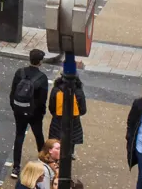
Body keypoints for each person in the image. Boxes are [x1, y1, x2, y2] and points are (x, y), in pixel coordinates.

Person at [9, 49, 49, 178]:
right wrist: (40, 113)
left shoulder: (19, 73)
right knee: (39, 136)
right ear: (40, 62)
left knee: (19, 136)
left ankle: (16, 167)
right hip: (35, 113)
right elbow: (42, 100)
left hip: (19, 110)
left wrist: (15, 107)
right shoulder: (42, 78)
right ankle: (44, 163)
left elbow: (13, 92)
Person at [48, 74, 86, 151]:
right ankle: (70, 154)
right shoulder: (79, 92)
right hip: (73, 121)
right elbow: (83, 110)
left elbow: (51, 107)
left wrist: (55, 114)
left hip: (57, 121)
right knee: (70, 142)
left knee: (56, 141)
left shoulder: (56, 90)